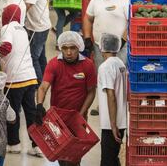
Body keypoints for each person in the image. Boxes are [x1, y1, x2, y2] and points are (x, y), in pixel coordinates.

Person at [36, 31, 97, 166]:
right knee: (61, 155)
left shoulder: (87, 65)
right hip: (57, 119)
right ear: (60, 48)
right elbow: (43, 87)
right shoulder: (54, 64)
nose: (68, 52)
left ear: (79, 48)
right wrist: (39, 105)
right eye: (65, 48)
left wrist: (81, 114)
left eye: (72, 48)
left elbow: (91, 92)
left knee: (74, 157)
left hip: (78, 118)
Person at [0, 4, 42, 157]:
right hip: (30, 77)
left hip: (15, 78)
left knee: (13, 112)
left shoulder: (8, 28)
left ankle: (14, 144)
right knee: (30, 112)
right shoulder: (22, 29)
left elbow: (6, 47)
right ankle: (37, 146)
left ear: (6, 15)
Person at [97, 33, 127, 166]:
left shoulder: (105, 67)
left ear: (101, 47)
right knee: (113, 158)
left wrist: (113, 125)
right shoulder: (120, 63)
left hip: (111, 123)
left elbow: (111, 95)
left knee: (107, 161)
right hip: (121, 120)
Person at [17, 0, 51, 83]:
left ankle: (39, 83)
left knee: (33, 56)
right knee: (41, 55)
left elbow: (27, 6)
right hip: (31, 25)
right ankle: (47, 78)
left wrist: (14, 16)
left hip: (40, 27)